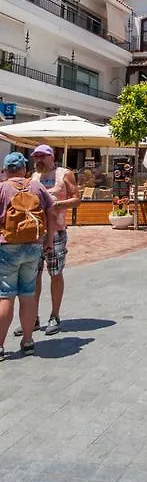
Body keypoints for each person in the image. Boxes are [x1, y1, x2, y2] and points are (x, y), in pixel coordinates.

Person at [13, 145, 80, 337]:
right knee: (33, 276)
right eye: (36, 157)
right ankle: (32, 318)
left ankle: (55, 315)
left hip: (57, 232)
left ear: (52, 157)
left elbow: (76, 199)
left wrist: (57, 204)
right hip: (34, 234)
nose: (38, 160)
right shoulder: (33, 177)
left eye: (42, 157)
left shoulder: (64, 174)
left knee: (55, 273)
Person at [0, 152, 56, 360]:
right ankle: (28, 341)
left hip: (8, 247)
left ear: (6, 170)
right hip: (33, 245)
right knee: (28, 294)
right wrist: (49, 240)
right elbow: (51, 212)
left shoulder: (2, 188)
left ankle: (0, 345)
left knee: (5, 296)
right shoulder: (36, 186)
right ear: (23, 168)